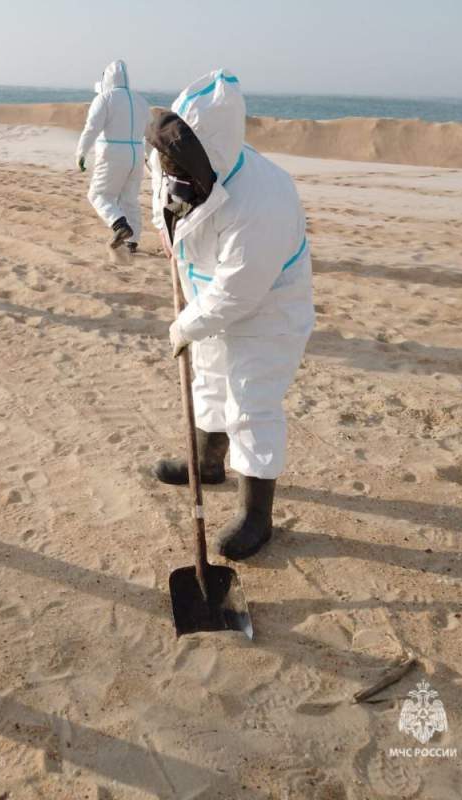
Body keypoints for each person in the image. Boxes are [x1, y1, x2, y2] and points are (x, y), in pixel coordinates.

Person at [148, 69, 315, 560]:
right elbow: (159, 191)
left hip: (267, 309)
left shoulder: (263, 199)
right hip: (206, 290)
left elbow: (238, 293)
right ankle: (206, 462)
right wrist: (166, 231)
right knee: (209, 378)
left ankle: (256, 516)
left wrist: (186, 324)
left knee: (250, 401)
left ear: (211, 154)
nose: (169, 168)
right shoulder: (169, 155)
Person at [76, 60, 150, 253]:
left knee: (98, 195)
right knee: (129, 199)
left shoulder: (105, 98)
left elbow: (91, 128)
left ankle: (119, 225)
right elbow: (150, 132)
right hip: (136, 155)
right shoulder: (141, 101)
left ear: (107, 79)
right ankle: (132, 242)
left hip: (113, 154)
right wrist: (149, 157)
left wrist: (81, 153)